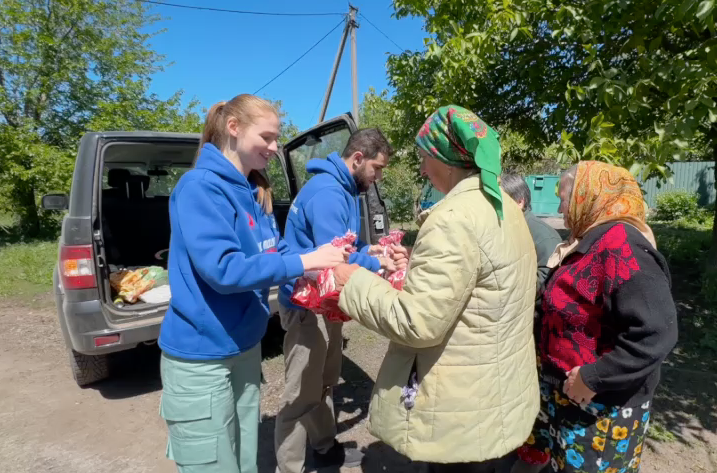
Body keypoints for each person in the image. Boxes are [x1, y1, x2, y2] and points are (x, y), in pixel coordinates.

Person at [332, 105, 539, 473]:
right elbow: (483, 282)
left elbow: (419, 322)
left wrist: (353, 281)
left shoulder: (454, 218)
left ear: (446, 158)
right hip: (496, 395)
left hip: (459, 410)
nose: (423, 169)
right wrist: (418, 261)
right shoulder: (503, 206)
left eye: (425, 157)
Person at [157, 94, 347, 473]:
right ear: (233, 129)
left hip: (244, 348)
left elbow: (274, 252)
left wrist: (325, 264)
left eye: (277, 139)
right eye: (268, 137)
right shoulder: (200, 187)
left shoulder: (251, 191)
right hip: (203, 356)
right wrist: (304, 261)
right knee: (211, 464)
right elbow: (224, 270)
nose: (275, 148)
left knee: (243, 459)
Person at [512, 161, 678, 473]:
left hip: (602, 406)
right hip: (571, 397)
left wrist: (593, 377)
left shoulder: (621, 246)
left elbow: (656, 333)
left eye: (565, 199)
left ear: (590, 197)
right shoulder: (588, 241)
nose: (561, 209)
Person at [274, 128, 406, 473]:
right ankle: (291, 466)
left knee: (323, 380)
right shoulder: (329, 193)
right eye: (377, 168)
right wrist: (378, 263)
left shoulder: (344, 189)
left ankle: (324, 448)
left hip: (324, 300)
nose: (378, 177)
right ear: (358, 158)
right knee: (301, 391)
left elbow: (345, 246)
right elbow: (336, 260)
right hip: (306, 304)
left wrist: (370, 250)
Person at [500, 173, 564, 289]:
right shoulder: (506, 226)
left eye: (500, 201)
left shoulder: (544, 236)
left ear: (520, 202)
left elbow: (545, 280)